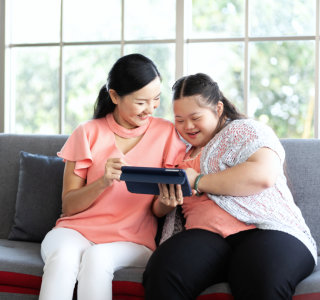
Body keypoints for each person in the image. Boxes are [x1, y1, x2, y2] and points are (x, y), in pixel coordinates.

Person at [143, 73, 317, 300]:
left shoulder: (245, 131)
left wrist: (198, 180)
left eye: (195, 117)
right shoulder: (177, 151)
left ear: (218, 109)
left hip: (264, 229)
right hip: (205, 237)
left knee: (258, 278)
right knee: (162, 273)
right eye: (179, 119)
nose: (188, 126)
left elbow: (263, 175)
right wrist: (165, 203)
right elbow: (158, 209)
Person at [38, 53, 186, 300]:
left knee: (98, 257)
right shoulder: (87, 133)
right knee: (63, 257)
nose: (150, 109)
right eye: (141, 102)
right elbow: (69, 206)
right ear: (115, 96)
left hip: (133, 241)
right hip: (75, 232)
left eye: (156, 99)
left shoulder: (166, 134)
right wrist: (102, 182)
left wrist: (165, 203)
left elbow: (156, 210)